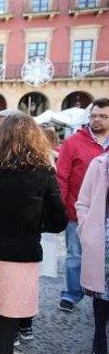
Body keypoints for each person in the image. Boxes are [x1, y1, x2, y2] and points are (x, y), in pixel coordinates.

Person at [0, 113, 68, 354]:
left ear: (2, 138)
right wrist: (33, 225)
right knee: (6, 331)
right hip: (20, 261)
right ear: (35, 139)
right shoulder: (44, 174)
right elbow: (58, 221)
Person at [58, 98, 109, 312]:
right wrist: (62, 206)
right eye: (93, 116)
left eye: (102, 116)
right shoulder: (73, 142)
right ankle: (72, 294)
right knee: (75, 255)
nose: (96, 120)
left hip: (106, 214)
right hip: (78, 211)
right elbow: (62, 176)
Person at [76, 151, 109, 354]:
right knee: (103, 291)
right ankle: (99, 337)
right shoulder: (99, 164)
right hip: (103, 237)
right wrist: (85, 227)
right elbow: (83, 201)